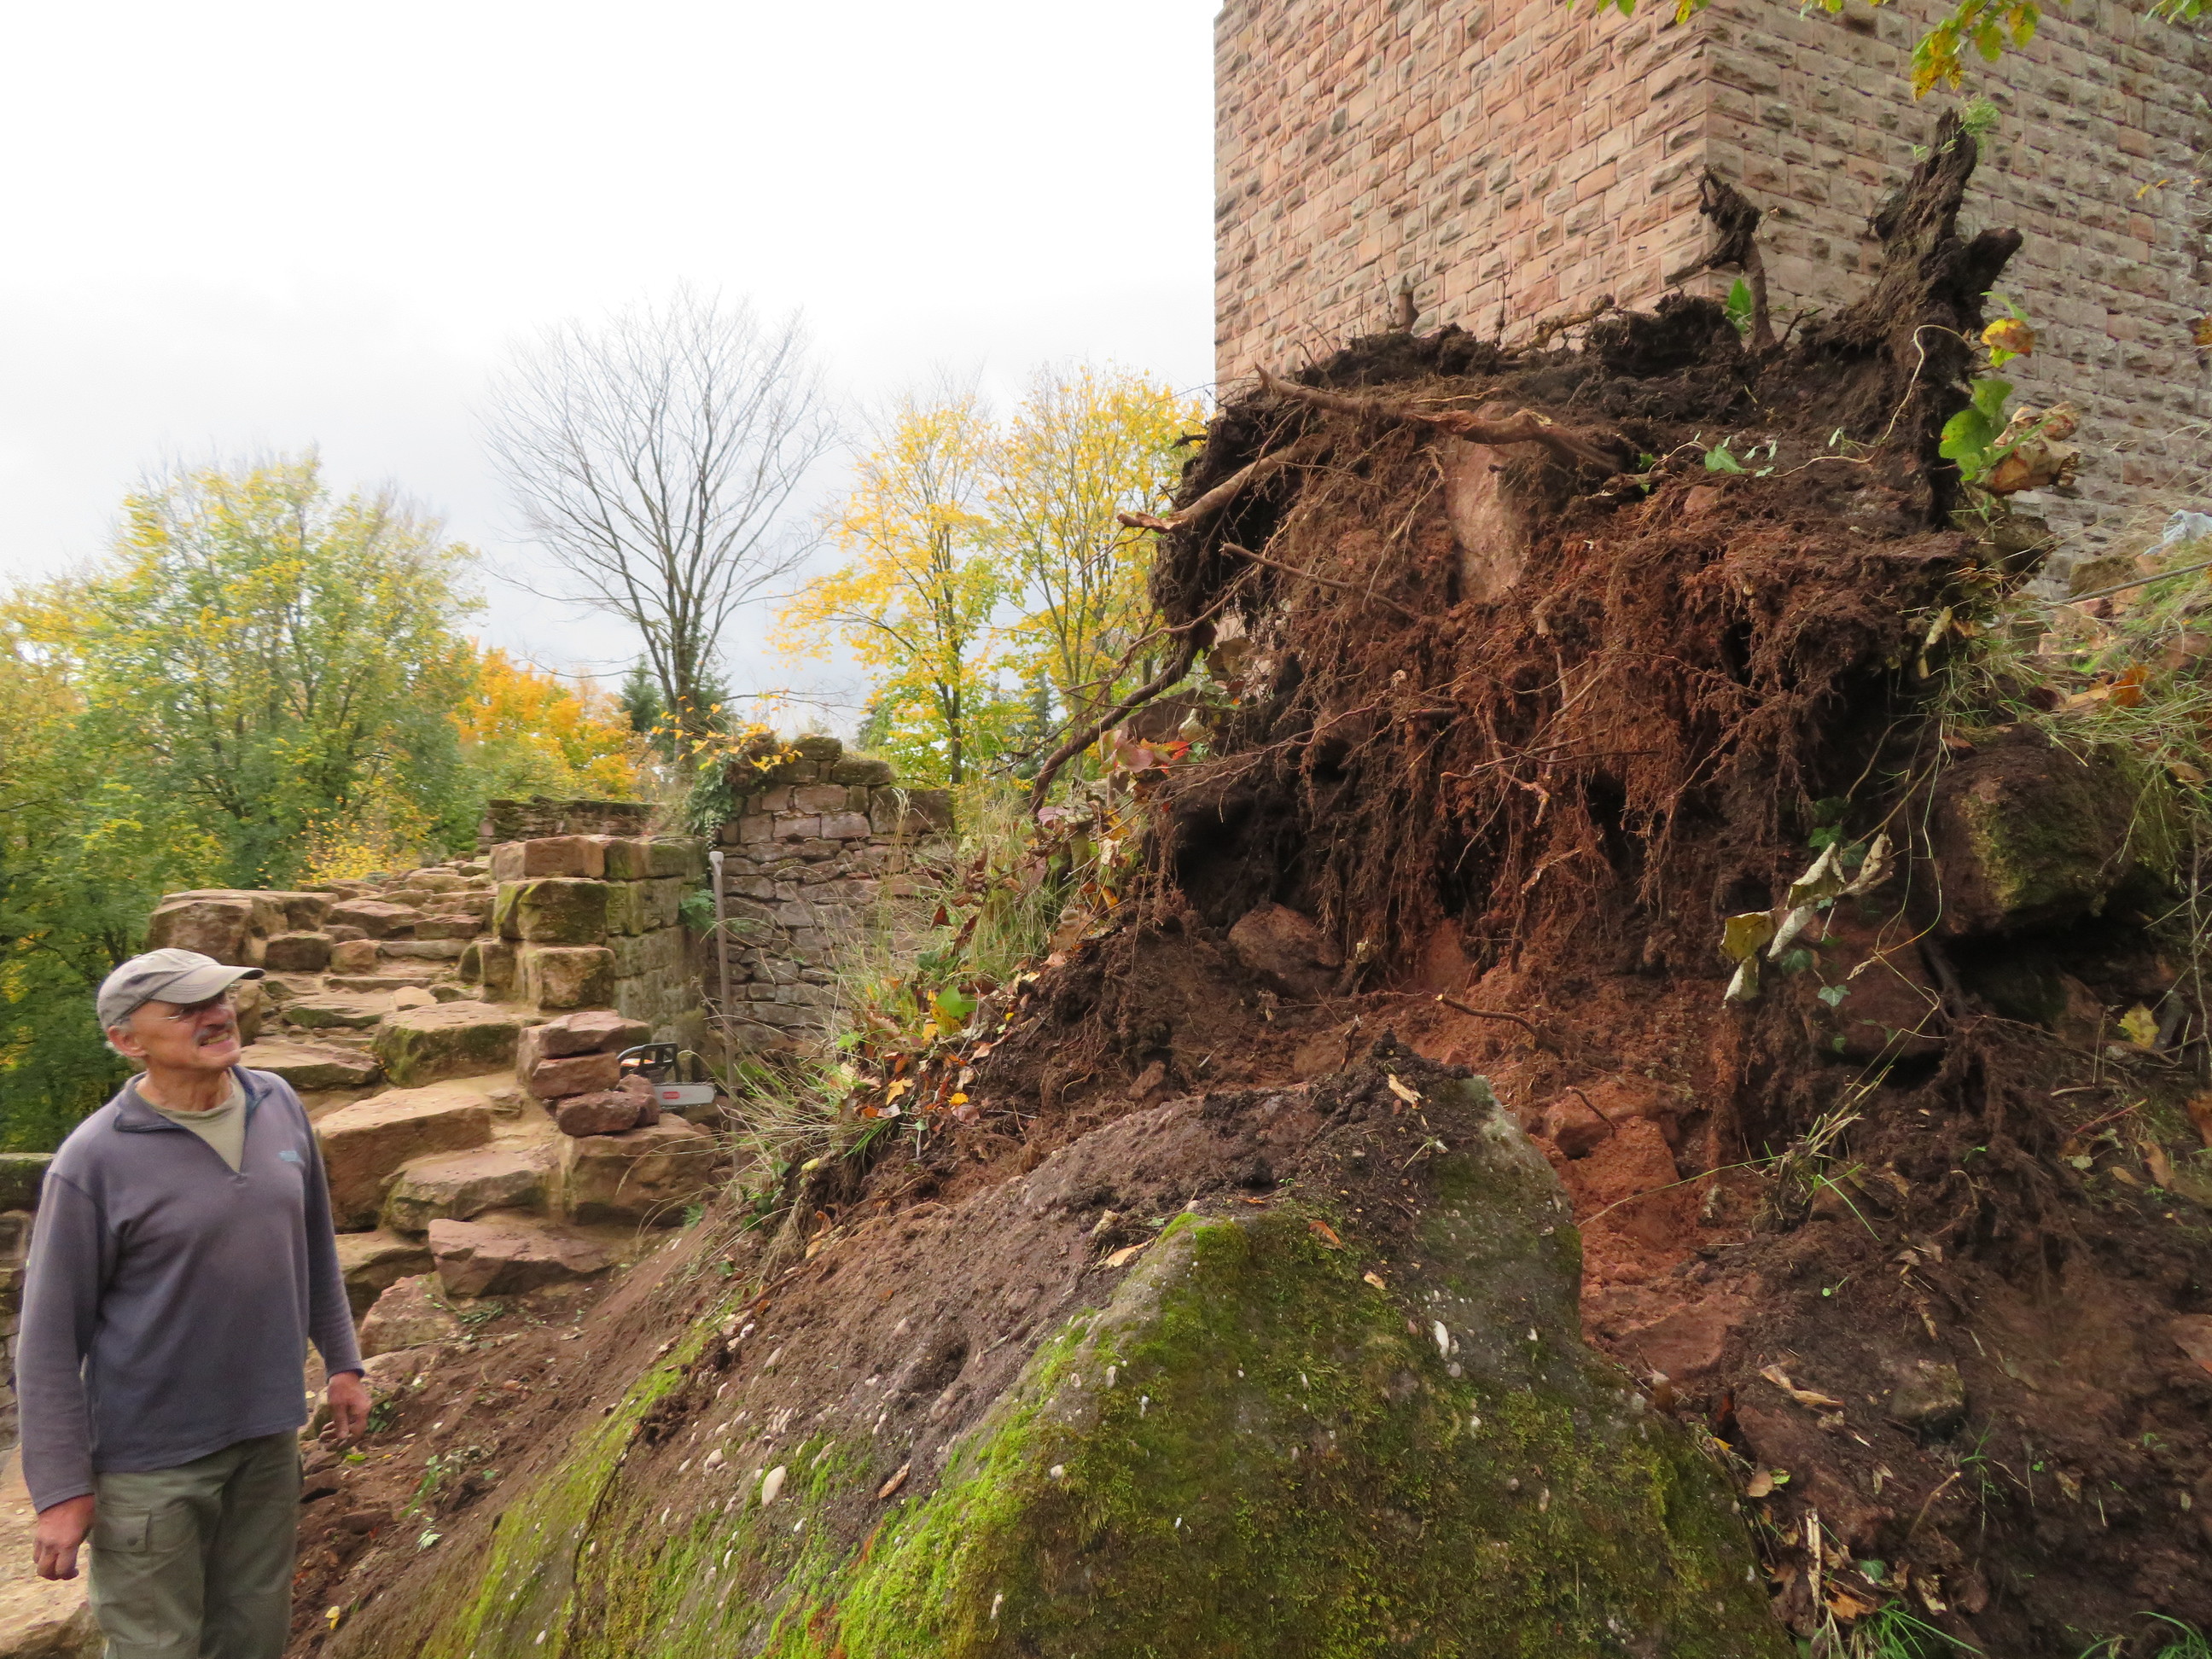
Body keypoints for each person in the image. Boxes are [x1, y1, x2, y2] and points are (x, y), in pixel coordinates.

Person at [15, 946, 369, 1659]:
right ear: (127, 1040)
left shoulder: (277, 1103)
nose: (217, 1016)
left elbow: (313, 1245)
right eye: (186, 1010)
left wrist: (343, 1362)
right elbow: (48, 1341)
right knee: (159, 1648)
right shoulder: (93, 1161)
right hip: (150, 1464)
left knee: (254, 1636)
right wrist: (60, 1490)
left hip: (267, 1439)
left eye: (220, 999)